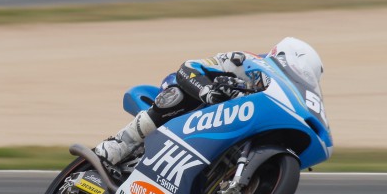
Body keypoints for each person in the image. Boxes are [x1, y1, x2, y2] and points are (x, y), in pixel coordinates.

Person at [94, 37, 324, 167]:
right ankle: (121, 142)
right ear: (281, 56)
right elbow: (189, 67)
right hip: (190, 96)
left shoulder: (281, 95)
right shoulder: (246, 60)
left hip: (216, 134)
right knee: (178, 95)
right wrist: (208, 91)